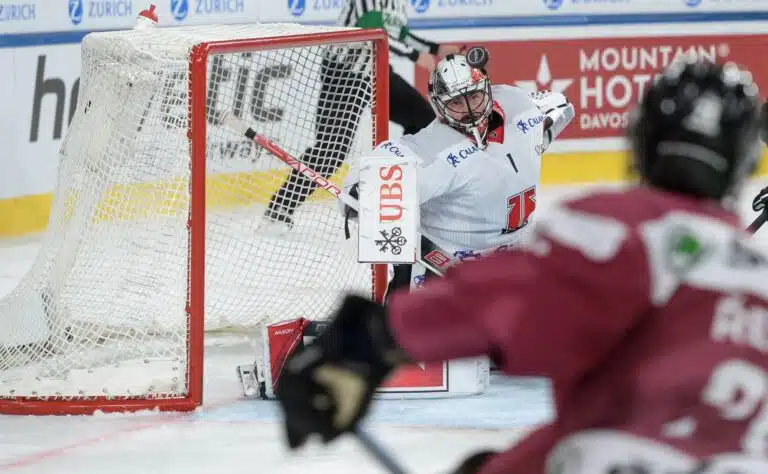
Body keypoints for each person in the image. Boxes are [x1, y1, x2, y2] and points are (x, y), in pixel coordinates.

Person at [275, 58, 768, 474]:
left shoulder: (615, 229)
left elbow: (504, 301)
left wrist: (367, 340)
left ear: (640, 141)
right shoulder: (757, 271)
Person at [343, 46, 574, 295]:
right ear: (439, 106)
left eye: (474, 96)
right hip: (444, 278)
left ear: (487, 88)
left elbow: (560, 107)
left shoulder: (516, 105)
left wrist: (538, 140)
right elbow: (381, 166)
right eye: (455, 102)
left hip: (513, 267)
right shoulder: (430, 149)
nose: (470, 109)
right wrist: (362, 189)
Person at [262, 0, 463, 229]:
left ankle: (405, 193)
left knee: (424, 121)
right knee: (331, 152)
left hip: (377, 73)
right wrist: (415, 55)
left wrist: (434, 49)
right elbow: (374, 34)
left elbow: (399, 32)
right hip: (344, 76)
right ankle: (280, 208)